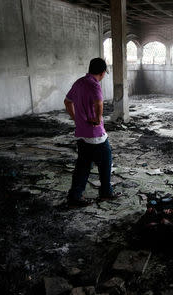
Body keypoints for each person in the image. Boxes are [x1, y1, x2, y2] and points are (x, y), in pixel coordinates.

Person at [64, 58, 115, 207]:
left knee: (83, 165)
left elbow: (67, 102)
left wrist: (76, 118)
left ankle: (75, 196)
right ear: (102, 72)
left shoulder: (79, 82)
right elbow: (99, 103)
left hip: (81, 132)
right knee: (106, 161)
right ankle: (106, 193)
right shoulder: (94, 85)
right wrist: (98, 119)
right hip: (95, 134)